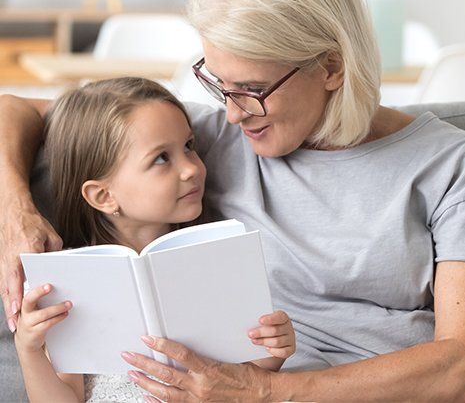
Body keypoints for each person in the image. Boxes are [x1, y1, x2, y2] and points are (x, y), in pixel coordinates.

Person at [0, 0, 465, 402]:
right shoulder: (205, 139)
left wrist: (261, 392)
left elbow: (463, 368)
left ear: (330, 67)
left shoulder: (452, 165)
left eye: (253, 90)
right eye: (218, 84)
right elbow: (15, 107)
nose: (234, 113)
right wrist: (15, 209)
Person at [11, 77, 295, 402]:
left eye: (189, 146)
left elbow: (247, 376)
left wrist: (274, 348)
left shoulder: (215, 258)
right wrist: (29, 350)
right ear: (103, 196)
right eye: (162, 158)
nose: (191, 168)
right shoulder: (73, 282)